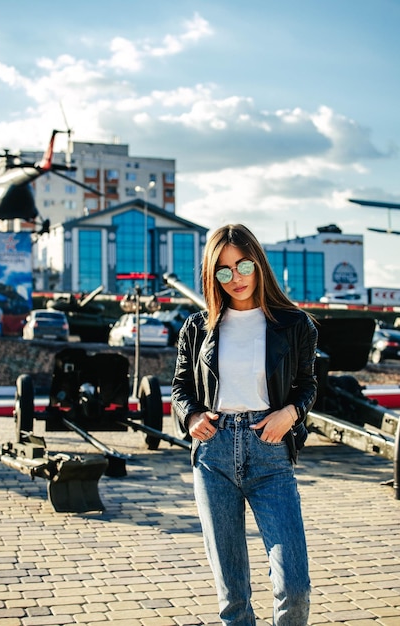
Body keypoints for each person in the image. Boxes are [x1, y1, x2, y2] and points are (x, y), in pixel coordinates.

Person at [172, 224, 318, 626]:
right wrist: (192, 416)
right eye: (222, 271)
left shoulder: (295, 324)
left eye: (242, 266)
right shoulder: (197, 328)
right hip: (213, 455)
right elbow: (180, 387)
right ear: (211, 276)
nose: (234, 278)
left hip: (269, 451)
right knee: (233, 597)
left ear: (258, 263)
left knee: (295, 587)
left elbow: (307, 384)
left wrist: (291, 413)